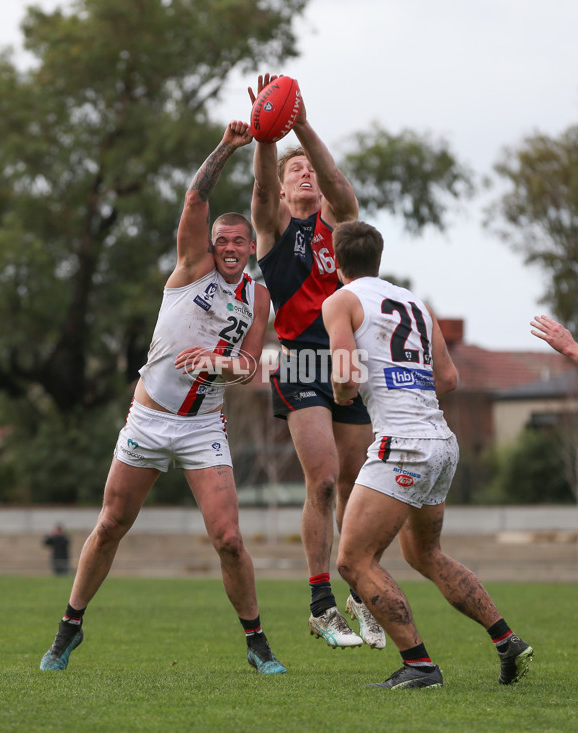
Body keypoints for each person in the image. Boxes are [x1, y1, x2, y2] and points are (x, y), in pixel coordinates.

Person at [40, 120, 285, 675]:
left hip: (203, 426)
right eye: (219, 239)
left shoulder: (258, 295)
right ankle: (69, 628)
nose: (226, 247)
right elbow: (197, 196)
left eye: (236, 241)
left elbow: (248, 366)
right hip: (148, 419)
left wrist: (217, 363)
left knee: (227, 539)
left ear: (250, 248)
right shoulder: (191, 265)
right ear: (209, 245)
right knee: (110, 524)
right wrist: (227, 147)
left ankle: (257, 643)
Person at [322, 219, 534, 689]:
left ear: (337, 264)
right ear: (379, 258)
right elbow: (450, 380)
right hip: (440, 441)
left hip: (402, 444)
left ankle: (419, 664)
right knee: (424, 553)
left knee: (353, 560)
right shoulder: (416, 302)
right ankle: (506, 640)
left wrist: (342, 394)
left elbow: (344, 374)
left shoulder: (339, 300)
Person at [248, 74, 385, 650]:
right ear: (282, 192)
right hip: (301, 363)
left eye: (309, 170)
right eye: (294, 171)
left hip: (348, 364)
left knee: (356, 482)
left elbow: (340, 187)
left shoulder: (341, 225)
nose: (306, 175)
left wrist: (299, 119)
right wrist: (264, 134)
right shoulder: (274, 225)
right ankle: (320, 603)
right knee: (324, 480)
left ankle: (361, 592)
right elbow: (258, 190)